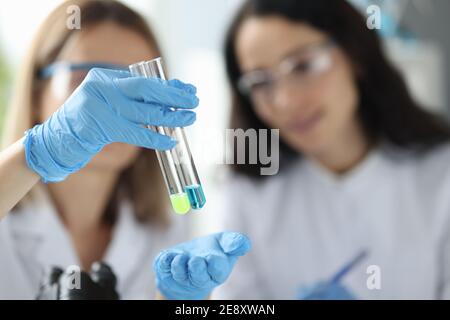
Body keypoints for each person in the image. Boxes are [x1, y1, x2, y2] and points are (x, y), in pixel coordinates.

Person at [0, 0, 250, 300]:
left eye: (135, 88)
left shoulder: (165, 223)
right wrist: (37, 153)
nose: (118, 106)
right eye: (87, 82)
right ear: (37, 92)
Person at [207, 0, 450, 299]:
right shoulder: (248, 189)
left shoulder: (441, 174)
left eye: (303, 65)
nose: (285, 101)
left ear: (355, 55)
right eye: (260, 82)